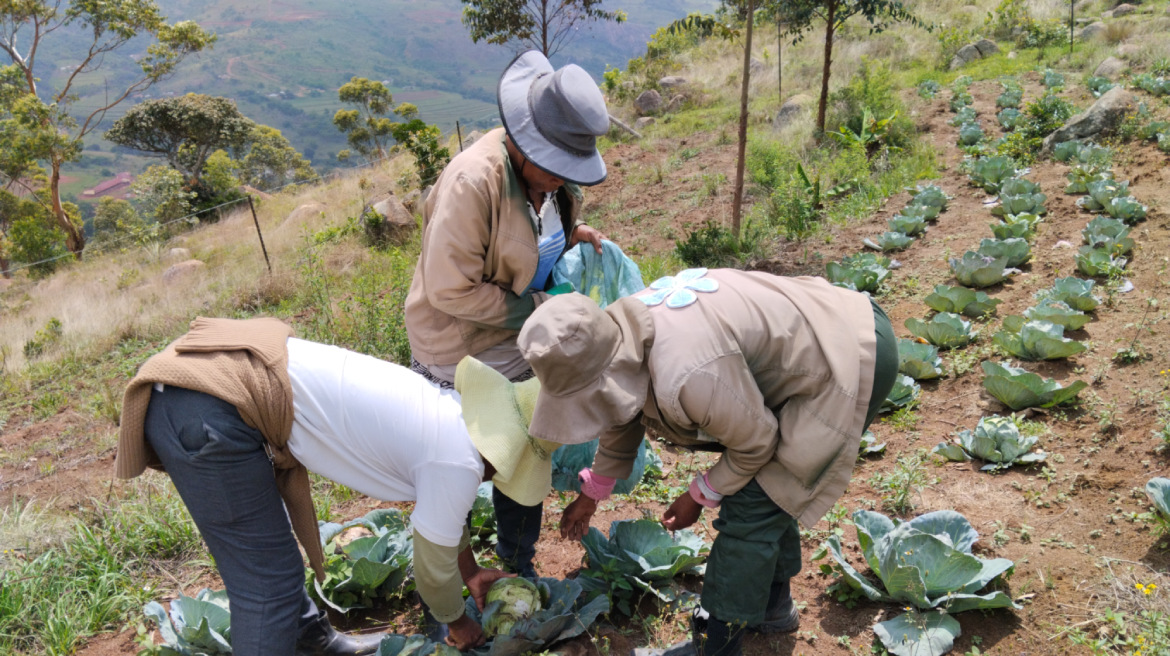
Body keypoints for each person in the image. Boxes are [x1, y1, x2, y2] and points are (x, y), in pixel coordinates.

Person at [115, 317, 561, 656]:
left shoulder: (453, 416)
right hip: (211, 405)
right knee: (266, 588)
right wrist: (458, 623)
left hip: (213, 389)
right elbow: (431, 568)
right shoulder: (457, 460)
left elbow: (444, 518)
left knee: (273, 565)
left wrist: (470, 572)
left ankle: (311, 639)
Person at [515, 268, 899, 656]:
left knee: (753, 507)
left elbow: (756, 444)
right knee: (763, 493)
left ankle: (719, 647)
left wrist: (698, 495)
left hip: (848, 352)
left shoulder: (689, 372)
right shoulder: (616, 333)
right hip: (821, 331)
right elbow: (619, 408)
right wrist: (592, 493)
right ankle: (773, 607)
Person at [404, 49, 611, 579]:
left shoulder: (548, 182)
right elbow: (450, 290)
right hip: (461, 343)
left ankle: (517, 562)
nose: (561, 180)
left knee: (526, 448)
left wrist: (572, 233)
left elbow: (528, 236)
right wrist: (538, 308)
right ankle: (451, 571)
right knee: (464, 458)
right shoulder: (474, 182)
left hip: (517, 334)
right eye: (555, 168)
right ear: (523, 140)